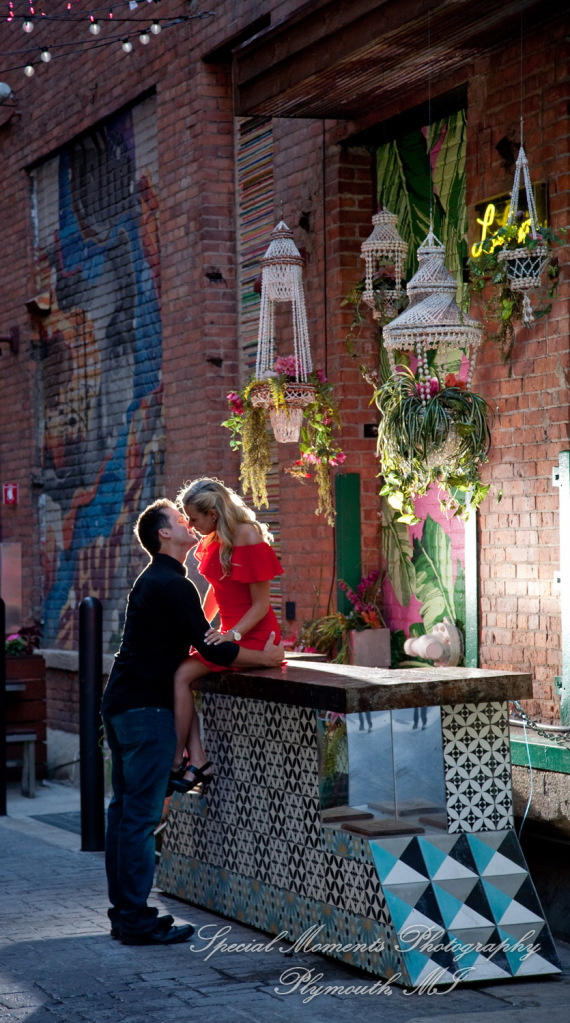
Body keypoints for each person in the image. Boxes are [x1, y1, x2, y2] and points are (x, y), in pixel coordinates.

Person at [101, 497, 284, 946]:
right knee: (139, 819)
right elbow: (214, 648)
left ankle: (126, 915)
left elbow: (203, 643)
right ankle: (136, 919)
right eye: (179, 520)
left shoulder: (158, 581)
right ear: (165, 534)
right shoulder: (170, 584)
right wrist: (268, 657)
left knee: (124, 814)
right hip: (146, 711)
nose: (188, 524)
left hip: (125, 704)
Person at [170, 477, 283, 793]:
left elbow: (262, 605)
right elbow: (217, 591)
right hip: (228, 634)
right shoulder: (214, 539)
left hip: (254, 633)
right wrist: (201, 628)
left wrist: (231, 634)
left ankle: (178, 761)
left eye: (194, 518)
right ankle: (197, 759)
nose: (190, 525)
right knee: (180, 675)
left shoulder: (246, 535)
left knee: (181, 676)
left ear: (213, 514)